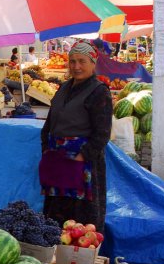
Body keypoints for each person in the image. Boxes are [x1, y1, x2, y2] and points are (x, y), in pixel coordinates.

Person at [39, 41, 112, 230]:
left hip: (82, 163)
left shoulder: (99, 92)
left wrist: (81, 157)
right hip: (57, 159)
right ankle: (55, 252)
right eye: (72, 61)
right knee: (55, 211)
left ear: (93, 63)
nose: (76, 66)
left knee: (80, 218)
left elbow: (102, 134)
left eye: (82, 61)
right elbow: (50, 121)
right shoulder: (64, 88)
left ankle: (79, 257)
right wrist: (46, 148)